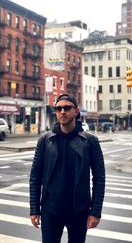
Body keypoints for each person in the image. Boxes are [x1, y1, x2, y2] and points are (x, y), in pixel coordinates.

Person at [29, 93, 105, 243]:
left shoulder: (90, 141)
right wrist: (34, 209)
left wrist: (95, 212)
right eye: (58, 108)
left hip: (79, 211)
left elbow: (99, 178)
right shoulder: (45, 140)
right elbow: (35, 176)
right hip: (50, 210)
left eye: (67, 108)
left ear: (76, 111)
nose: (62, 112)